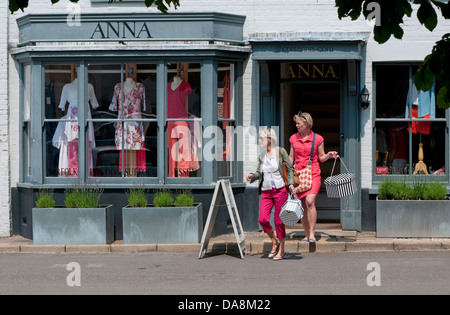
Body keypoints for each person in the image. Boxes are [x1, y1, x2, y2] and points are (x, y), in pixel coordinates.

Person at [246, 127, 295, 260]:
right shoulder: (262, 155)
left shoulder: (280, 151)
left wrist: (290, 184)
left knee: (279, 221)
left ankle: (282, 250)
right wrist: (252, 176)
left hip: (280, 191)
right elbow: (259, 172)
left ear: (269, 139)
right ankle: (274, 242)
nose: (259, 140)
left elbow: (290, 169)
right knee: (262, 219)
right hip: (266, 192)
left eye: (261, 138)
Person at [289, 112, 338, 243]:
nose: (296, 125)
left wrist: (329, 155)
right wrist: (288, 174)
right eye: (296, 123)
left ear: (306, 124)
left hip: (313, 174)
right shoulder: (293, 138)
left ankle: (312, 233)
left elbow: (321, 158)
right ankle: (306, 234)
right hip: (298, 176)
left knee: (310, 202)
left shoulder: (318, 139)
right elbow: (290, 158)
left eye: (298, 123)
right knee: (303, 206)